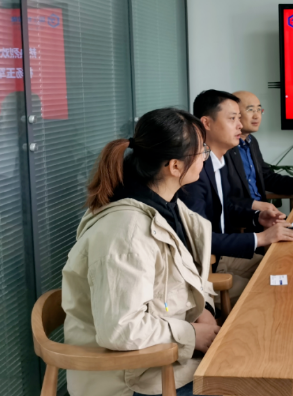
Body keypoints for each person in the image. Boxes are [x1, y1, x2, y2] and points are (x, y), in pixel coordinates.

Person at [61, 108, 219, 396]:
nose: (205, 158)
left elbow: (183, 281)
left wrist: (205, 310)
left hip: (166, 359)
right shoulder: (126, 231)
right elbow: (121, 329)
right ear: (174, 166)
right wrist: (192, 334)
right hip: (133, 379)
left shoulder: (169, 207)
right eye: (202, 152)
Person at [180, 90, 293, 302]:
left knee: (287, 270)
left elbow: (224, 208)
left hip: (222, 257)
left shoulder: (218, 161)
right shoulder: (194, 172)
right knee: (272, 294)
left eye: (239, 118)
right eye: (233, 118)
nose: (239, 125)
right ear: (206, 123)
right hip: (200, 271)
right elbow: (199, 239)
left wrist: (257, 217)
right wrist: (261, 238)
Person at [231, 90, 293, 204]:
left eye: (259, 110)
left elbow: (267, 178)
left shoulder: (251, 141)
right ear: (234, 114)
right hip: (245, 211)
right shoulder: (224, 147)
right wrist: (255, 207)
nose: (256, 116)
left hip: (260, 210)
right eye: (250, 110)